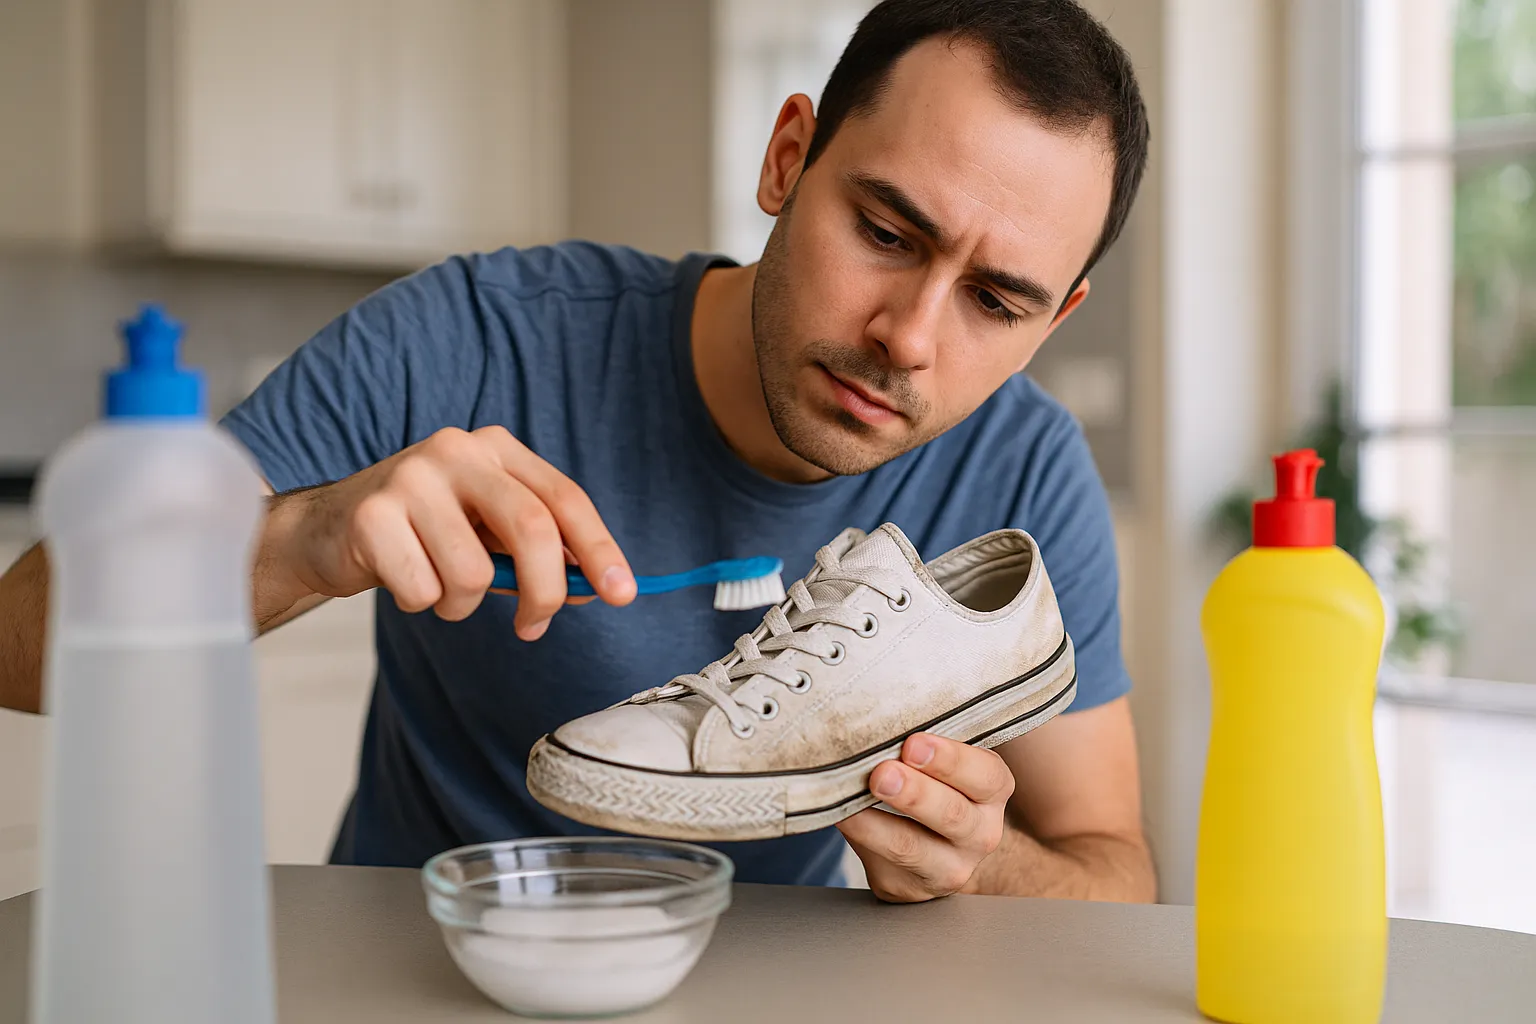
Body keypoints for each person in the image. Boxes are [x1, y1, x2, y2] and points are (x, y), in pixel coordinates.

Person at [0, 0, 1155, 904]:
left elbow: (1113, 877)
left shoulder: (1020, 474)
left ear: (1054, 320)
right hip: (411, 958)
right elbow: (20, 646)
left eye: (997, 302)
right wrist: (307, 537)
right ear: (787, 158)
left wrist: (978, 857)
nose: (908, 337)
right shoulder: (474, 339)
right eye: (887, 232)